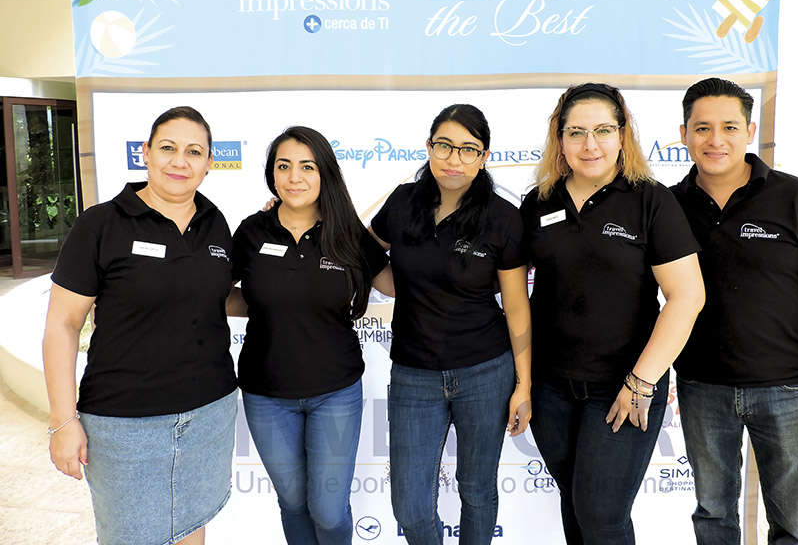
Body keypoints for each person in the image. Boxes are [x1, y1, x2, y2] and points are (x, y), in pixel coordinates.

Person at [519, 83, 705, 545]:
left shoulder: (650, 200)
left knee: (602, 515)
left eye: (603, 130)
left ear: (623, 135)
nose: (590, 144)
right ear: (559, 138)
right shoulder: (539, 202)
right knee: (576, 506)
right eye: (576, 132)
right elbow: (502, 281)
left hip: (623, 387)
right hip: (551, 390)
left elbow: (687, 297)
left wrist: (641, 382)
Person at [42, 106, 237, 545]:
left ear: (208, 164)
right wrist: (62, 420)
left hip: (209, 414)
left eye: (194, 151)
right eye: (168, 148)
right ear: (146, 154)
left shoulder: (215, 223)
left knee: (191, 528)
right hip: (123, 425)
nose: (180, 161)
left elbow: (221, 294)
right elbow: (62, 325)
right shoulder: (101, 224)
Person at [671, 77, 798, 545]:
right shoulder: (668, 206)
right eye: (702, 127)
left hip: (788, 389)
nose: (716, 140)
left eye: (729, 126)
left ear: (749, 131)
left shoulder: (795, 198)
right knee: (713, 517)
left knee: (792, 525)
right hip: (701, 387)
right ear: (684, 133)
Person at [369, 103, 532, 545]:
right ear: (428, 148)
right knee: (410, 504)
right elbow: (362, 253)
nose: (453, 159)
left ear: (484, 157)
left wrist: (524, 384)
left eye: (467, 149)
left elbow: (517, 307)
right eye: (444, 146)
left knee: (477, 489)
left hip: (485, 370)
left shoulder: (502, 217)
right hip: (413, 374)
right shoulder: (403, 202)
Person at [228, 126, 393, 545]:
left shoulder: (347, 232)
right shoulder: (251, 233)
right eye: (284, 166)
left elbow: (396, 283)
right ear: (272, 174)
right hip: (267, 395)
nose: (294, 177)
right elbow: (220, 294)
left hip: (334, 392)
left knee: (329, 508)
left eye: (307, 166)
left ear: (324, 174)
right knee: (293, 501)